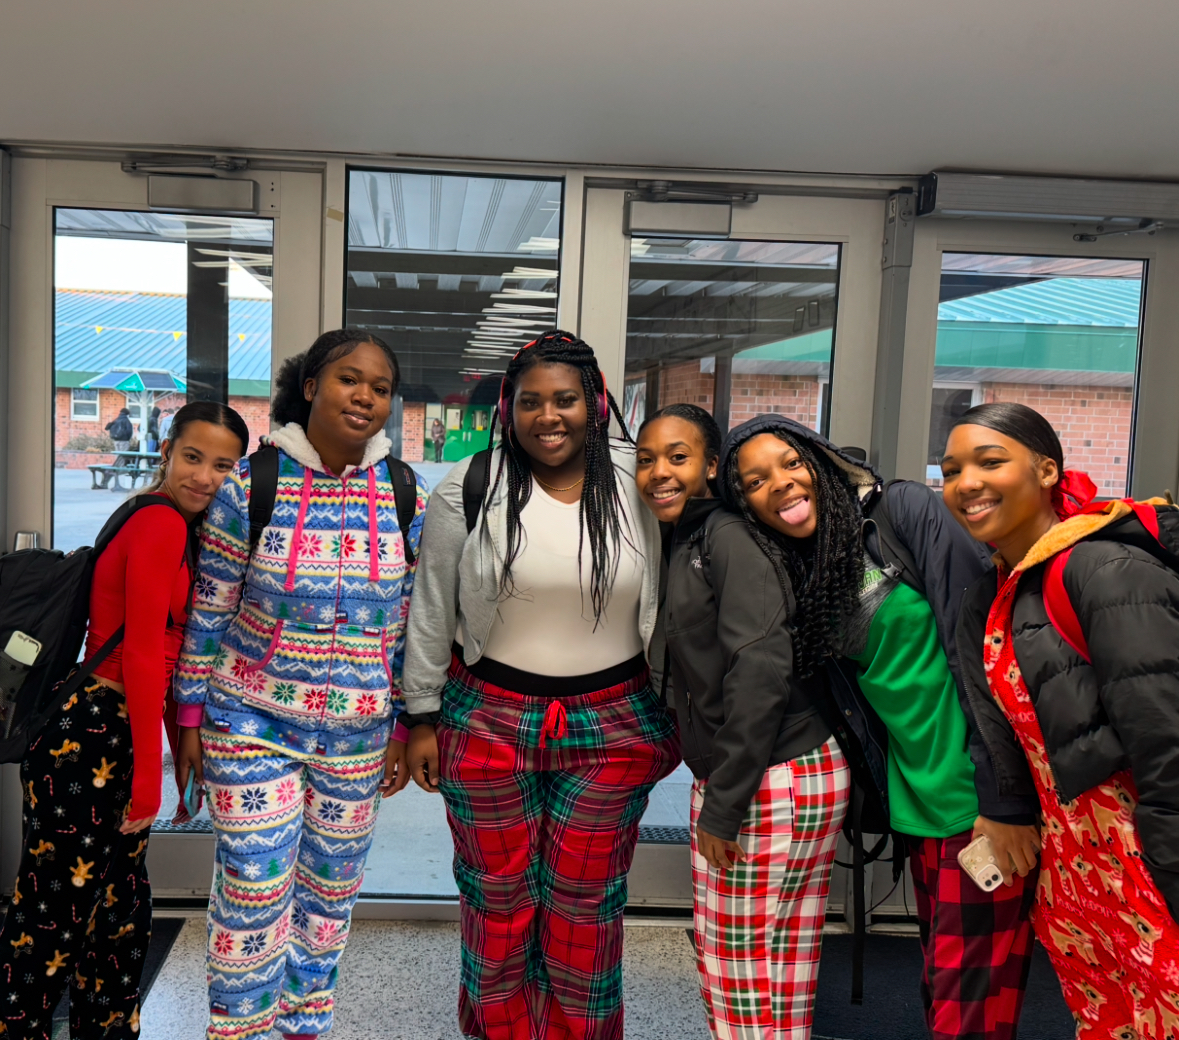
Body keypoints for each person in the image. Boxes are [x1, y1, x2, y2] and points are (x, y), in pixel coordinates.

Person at [718, 415, 1040, 1039]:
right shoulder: (801, 567)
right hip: (919, 800)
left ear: (820, 458)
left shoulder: (901, 510)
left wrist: (1006, 800)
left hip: (980, 795)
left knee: (967, 998)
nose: (780, 485)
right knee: (947, 982)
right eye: (754, 481)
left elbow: (980, 650)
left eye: (789, 462)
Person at [400, 329, 679, 1040]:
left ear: (595, 402)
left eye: (564, 400)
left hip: (614, 721)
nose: (547, 416)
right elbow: (432, 610)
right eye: (530, 402)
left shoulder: (640, 481)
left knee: (584, 901)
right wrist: (421, 717)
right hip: (487, 717)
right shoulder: (469, 487)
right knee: (497, 899)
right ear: (508, 406)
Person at [173, 329, 428, 1040]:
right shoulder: (251, 486)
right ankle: (239, 1030)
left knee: (328, 899)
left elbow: (409, 624)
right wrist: (188, 721)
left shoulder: (406, 494)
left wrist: (403, 725)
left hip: (358, 734)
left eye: (379, 387)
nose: (366, 397)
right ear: (311, 386)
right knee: (253, 891)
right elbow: (211, 610)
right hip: (250, 724)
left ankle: (303, 1029)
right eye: (350, 379)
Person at [0, 401, 249, 1040]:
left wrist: (179, 750)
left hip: (105, 727)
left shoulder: (169, 523)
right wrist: (147, 778)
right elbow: (139, 650)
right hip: (93, 733)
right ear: (166, 450)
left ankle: (104, 1026)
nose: (205, 477)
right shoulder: (160, 522)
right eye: (193, 457)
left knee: (116, 905)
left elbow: (168, 654)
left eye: (224, 466)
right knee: (54, 911)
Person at [946, 402, 1179, 1039]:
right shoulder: (997, 590)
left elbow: (1167, 737)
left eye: (990, 461)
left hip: (1147, 866)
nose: (966, 482)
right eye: (951, 469)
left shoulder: (1105, 570)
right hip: (1078, 869)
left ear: (1047, 469)